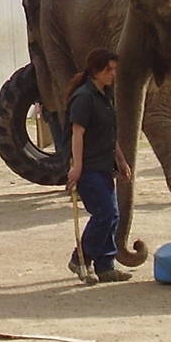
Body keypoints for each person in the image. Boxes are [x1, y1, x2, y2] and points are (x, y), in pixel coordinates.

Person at [64, 47, 134, 283]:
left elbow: (109, 134)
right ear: (96, 71)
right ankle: (80, 258)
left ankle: (105, 266)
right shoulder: (84, 98)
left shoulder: (105, 96)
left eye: (115, 69)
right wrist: (77, 167)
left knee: (113, 217)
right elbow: (77, 133)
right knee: (105, 213)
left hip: (105, 166)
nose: (114, 74)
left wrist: (121, 161)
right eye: (109, 70)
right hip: (89, 168)